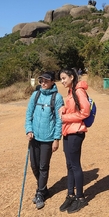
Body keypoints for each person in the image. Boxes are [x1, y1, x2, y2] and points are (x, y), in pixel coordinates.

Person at [25, 71, 64, 209]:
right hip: (34, 137)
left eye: (46, 81)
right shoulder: (35, 95)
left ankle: (40, 193)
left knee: (43, 166)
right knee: (34, 166)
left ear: (53, 81)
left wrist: (56, 139)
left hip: (47, 139)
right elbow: (29, 114)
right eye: (41, 80)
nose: (43, 83)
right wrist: (29, 129)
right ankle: (44, 188)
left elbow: (60, 120)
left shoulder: (57, 98)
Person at [58, 68, 91, 213]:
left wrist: (65, 117)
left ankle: (81, 198)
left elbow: (85, 111)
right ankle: (70, 195)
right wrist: (64, 109)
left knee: (75, 165)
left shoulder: (79, 91)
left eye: (64, 78)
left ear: (72, 77)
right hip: (68, 131)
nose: (62, 81)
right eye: (61, 78)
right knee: (69, 165)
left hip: (76, 131)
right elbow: (73, 108)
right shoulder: (71, 91)